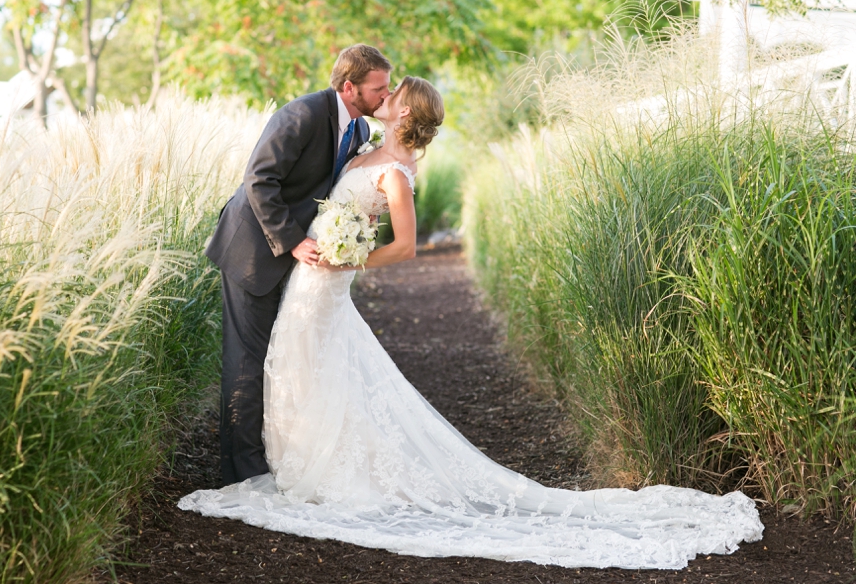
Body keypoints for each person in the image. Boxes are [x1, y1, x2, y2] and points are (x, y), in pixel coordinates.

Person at [182, 77, 764, 569]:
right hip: (311, 276)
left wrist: (350, 257)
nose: (383, 95)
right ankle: (292, 459)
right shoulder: (362, 143)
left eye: (392, 91)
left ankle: (325, 470)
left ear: (404, 109)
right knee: (304, 366)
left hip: (330, 277)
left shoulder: (399, 173)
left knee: (319, 365)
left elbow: (405, 247)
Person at [204, 44, 392, 485]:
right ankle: (241, 474)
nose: (386, 95)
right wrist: (292, 242)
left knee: (273, 357)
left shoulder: (360, 129)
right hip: (252, 250)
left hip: (295, 257)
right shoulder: (304, 114)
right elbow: (259, 178)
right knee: (246, 361)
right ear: (350, 87)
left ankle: (269, 457)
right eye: (378, 88)